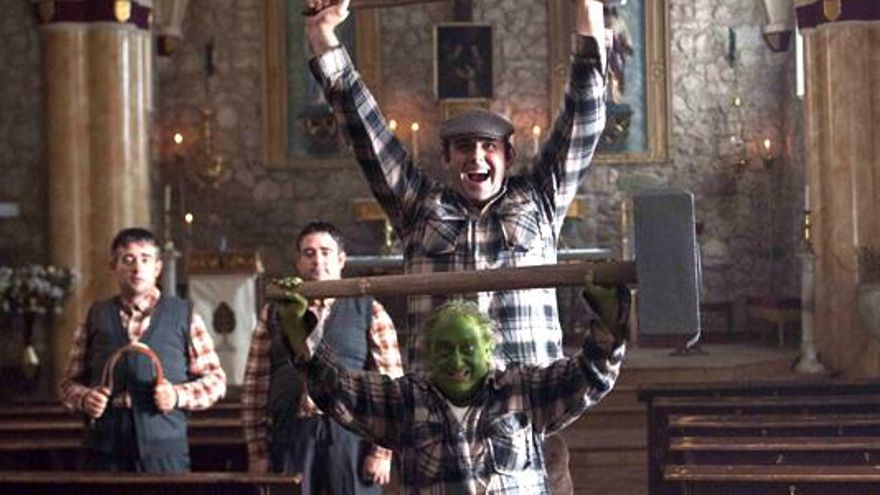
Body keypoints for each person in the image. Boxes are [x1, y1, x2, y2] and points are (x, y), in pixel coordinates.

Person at [303, 0, 610, 491]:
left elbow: (586, 112)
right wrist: (323, 35)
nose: (477, 157)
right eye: (464, 146)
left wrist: (587, 7)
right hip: (435, 427)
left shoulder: (540, 200)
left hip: (527, 419)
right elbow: (364, 130)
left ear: (510, 154)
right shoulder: (418, 208)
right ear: (445, 157)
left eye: (489, 146)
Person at [276, 280, 628, 494]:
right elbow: (335, 388)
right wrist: (298, 330)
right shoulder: (404, 400)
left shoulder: (524, 391)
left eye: (467, 348)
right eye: (444, 350)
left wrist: (609, 323)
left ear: (488, 349)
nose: (456, 361)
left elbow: (590, 375)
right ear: (429, 353)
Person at [242, 221, 404, 494]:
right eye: (309, 253)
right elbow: (255, 386)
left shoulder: (370, 310)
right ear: (298, 262)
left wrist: (382, 452)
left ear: (341, 260)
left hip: (351, 441)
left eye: (326, 252)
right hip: (291, 438)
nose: (317, 260)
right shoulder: (273, 313)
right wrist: (257, 452)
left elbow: (392, 385)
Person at [57, 227, 227, 473]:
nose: (137, 269)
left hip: (164, 454)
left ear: (157, 268)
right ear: (113, 267)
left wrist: (177, 395)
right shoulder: (96, 316)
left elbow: (216, 380)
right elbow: (67, 384)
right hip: (104, 453)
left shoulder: (183, 315)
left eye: (145, 259)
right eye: (128, 260)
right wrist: (85, 398)